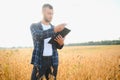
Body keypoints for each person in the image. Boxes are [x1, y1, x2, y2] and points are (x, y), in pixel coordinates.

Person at [30, 3, 66, 80]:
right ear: (43, 12)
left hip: (53, 61)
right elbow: (38, 36)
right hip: (40, 60)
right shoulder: (34, 26)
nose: (51, 16)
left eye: (52, 14)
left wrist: (61, 44)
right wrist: (54, 30)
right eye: (49, 13)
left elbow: (57, 46)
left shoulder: (54, 27)